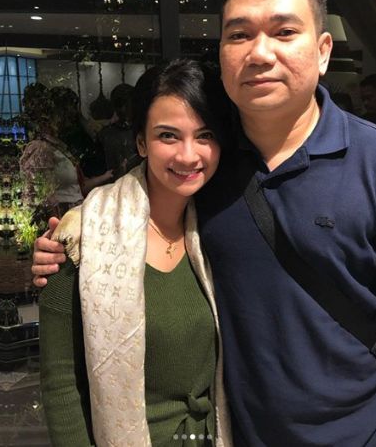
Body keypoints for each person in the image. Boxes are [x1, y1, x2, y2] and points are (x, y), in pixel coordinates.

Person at [35, 0, 376, 446]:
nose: (260, 53)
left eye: (284, 32)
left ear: (323, 50)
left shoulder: (374, 162)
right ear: (221, 53)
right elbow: (144, 190)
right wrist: (74, 231)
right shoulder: (207, 168)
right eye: (239, 35)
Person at [40, 59, 232, 447]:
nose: (188, 156)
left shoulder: (223, 227)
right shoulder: (82, 237)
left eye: (205, 135)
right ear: (141, 142)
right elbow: (60, 385)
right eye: (168, 136)